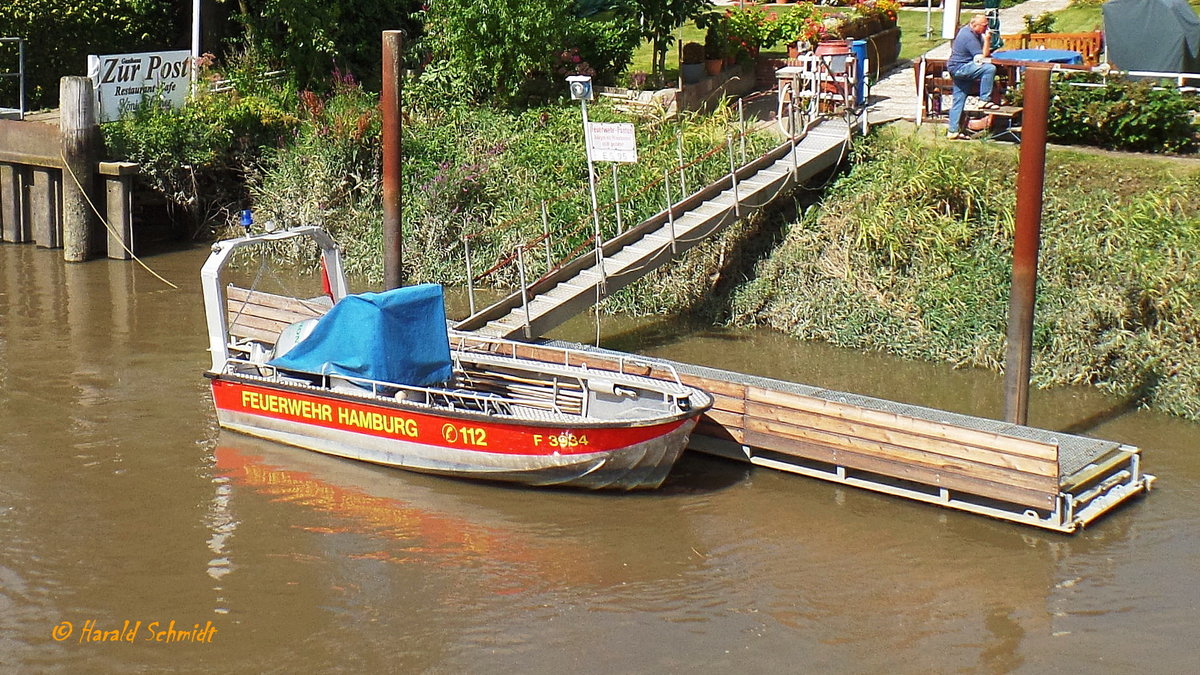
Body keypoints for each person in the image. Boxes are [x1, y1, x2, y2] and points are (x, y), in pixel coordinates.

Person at [945, 13, 998, 140]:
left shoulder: (974, 33)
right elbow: (983, 58)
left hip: (958, 68)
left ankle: (952, 131)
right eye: (984, 26)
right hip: (960, 68)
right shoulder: (968, 36)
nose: (987, 28)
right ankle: (984, 100)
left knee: (959, 100)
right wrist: (987, 39)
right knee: (990, 69)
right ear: (974, 25)